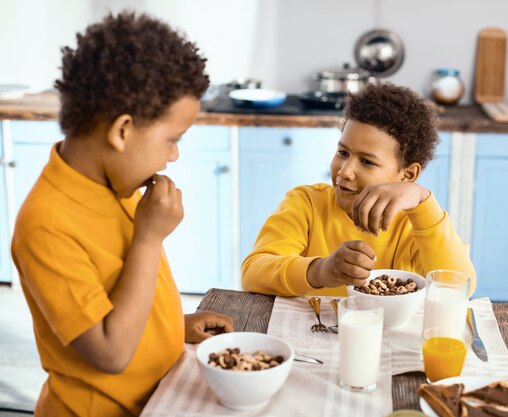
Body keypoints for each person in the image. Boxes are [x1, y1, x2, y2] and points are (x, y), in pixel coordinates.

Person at [11, 12, 234, 417]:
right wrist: (149, 239)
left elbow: (121, 299)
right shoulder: (45, 224)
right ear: (122, 131)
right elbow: (110, 351)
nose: (174, 155)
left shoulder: (119, 185)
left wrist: (172, 326)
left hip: (157, 399)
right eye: (172, 139)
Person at [241, 82, 475, 297]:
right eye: (343, 152)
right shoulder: (306, 204)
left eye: (367, 162)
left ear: (408, 175)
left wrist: (421, 198)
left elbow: (459, 288)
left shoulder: (418, 226)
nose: (344, 171)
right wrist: (321, 271)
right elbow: (252, 273)